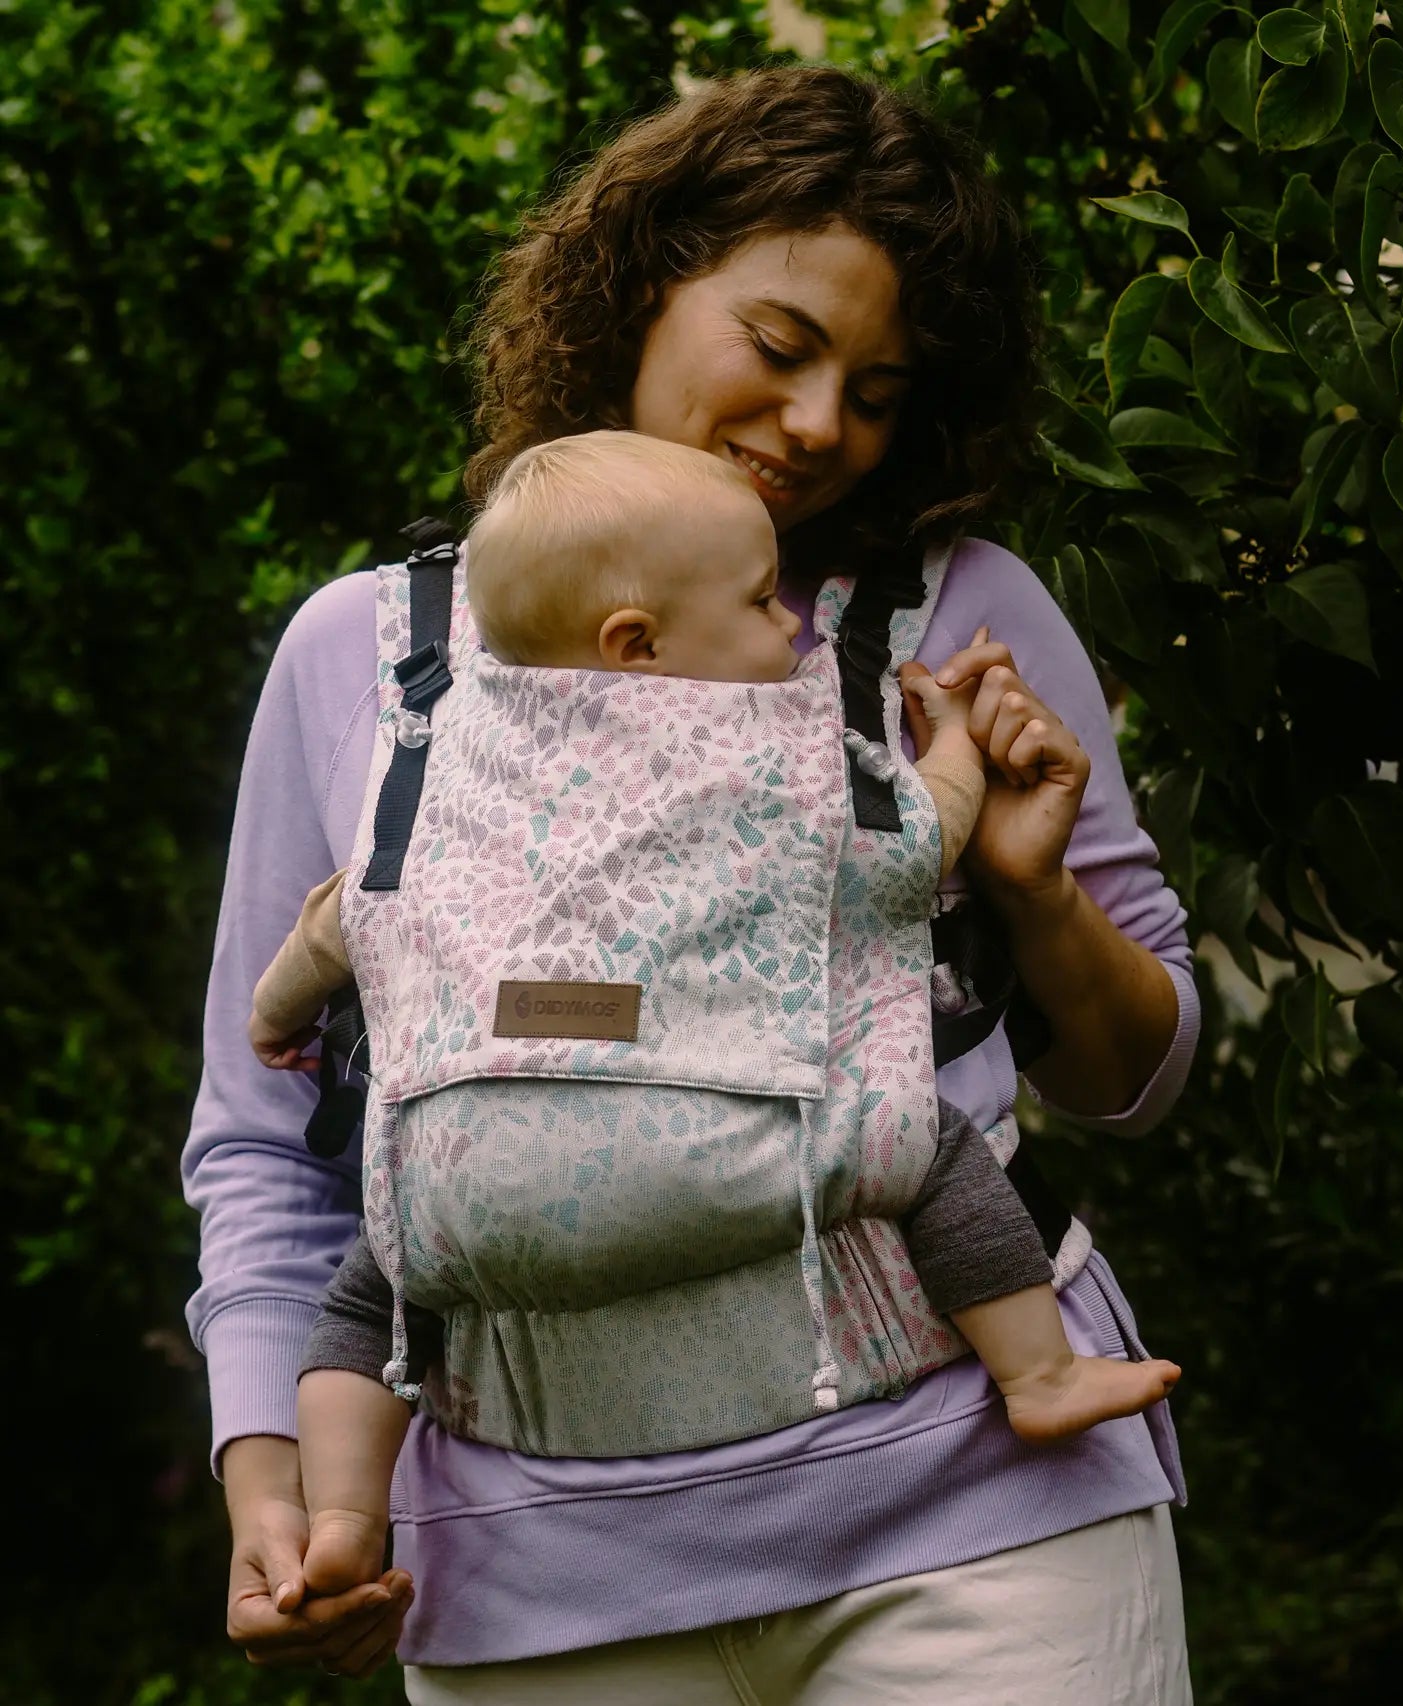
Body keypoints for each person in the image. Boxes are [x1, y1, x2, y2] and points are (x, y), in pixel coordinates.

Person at [185, 66, 1197, 1701]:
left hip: (978, 1515)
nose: (817, 428)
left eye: (876, 391)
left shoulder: (962, 625)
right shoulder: (363, 657)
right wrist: (275, 1481)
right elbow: (266, 1126)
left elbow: (1139, 1079)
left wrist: (1034, 897)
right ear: (642, 283)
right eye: (783, 348)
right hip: (529, 1566)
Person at [244, 430, 1180, 1600]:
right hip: (743, 1156)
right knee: (927, 1145)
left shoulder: (428, 772)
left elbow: (336, 922)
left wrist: (275, 1018)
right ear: (636, 644)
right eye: (754, 600)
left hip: (477, 1177)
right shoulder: (769, 762)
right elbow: (911, 845)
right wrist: (945, 753)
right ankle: (1039, 1373)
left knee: (374, 1281)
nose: (786, 627)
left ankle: (341, 1510)